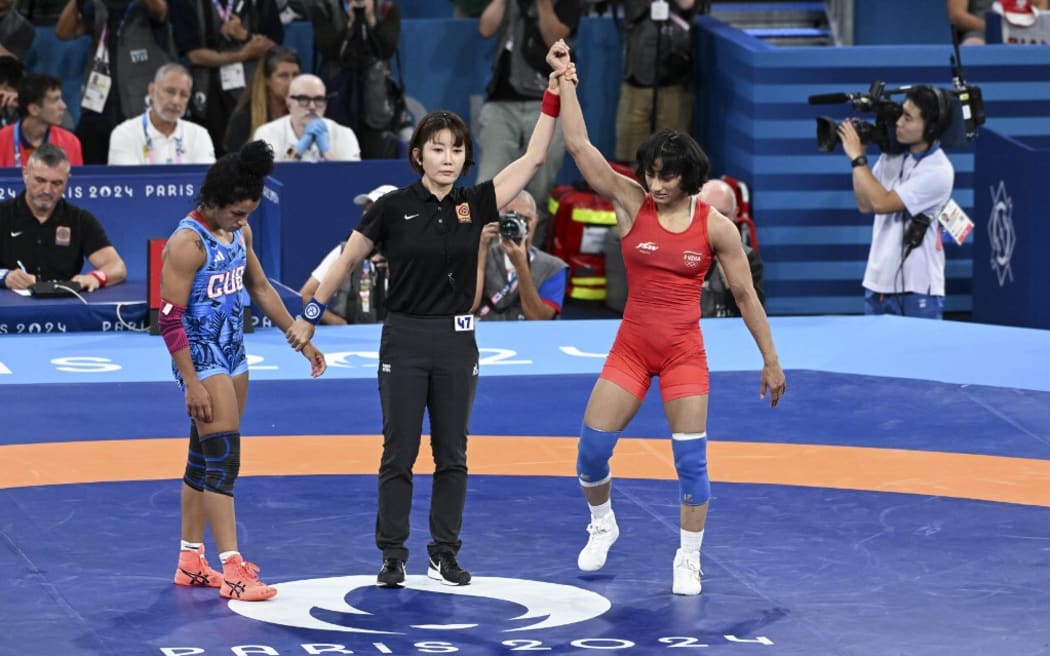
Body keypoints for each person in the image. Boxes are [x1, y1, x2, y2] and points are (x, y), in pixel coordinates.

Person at [286, 39, 574, 589]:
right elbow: (346, 260)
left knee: (453, 454)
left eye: (456, 150)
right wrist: (311, 313)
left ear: (465, 157)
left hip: (457, 340)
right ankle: (393, 553)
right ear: (419, 154)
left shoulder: (475, 204)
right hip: (404, 339)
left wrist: (553, 95)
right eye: (437, 149)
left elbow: (533, 157)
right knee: (399, 452)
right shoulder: (392, 207)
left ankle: (444, 551)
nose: (448, 158)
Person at [557, 70, 786, 596]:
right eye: (650, 174)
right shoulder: (630, 201)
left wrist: (770, 359)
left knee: (690, 462)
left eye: (666, 177)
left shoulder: (714, 226)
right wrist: (568, 79)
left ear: (689, 177)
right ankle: (603, 523)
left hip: (683, 351)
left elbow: (745, 296)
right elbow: (578, 145)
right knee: (591, 454)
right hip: (632, 348)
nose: (656, 186)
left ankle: (688, 557)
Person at [160, 139, 326, 602]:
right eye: (236, 212)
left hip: (234, 352)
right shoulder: (187, 243)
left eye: (248, 213)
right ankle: (233, 569)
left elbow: (258, 286)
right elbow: (169, 318)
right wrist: (191, 380)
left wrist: (298, 335)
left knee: (203, 457)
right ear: (212, 203)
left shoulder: (239, 235)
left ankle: (190, 561)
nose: (242, 220)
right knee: (224, 462)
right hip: (202, 356)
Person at [837, 85, 955, 320]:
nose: (899, 122)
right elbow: (865, 204)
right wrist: (857, 160)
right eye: (901, 114)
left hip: (918, 288)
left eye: (908, 118)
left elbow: (882, 203)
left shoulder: (939, 171)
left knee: (918, 357)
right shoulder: (892, 157)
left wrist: (858, 158)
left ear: (930, 127)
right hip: (877, 283)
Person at [476, 0, 582, 212]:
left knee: (539, 191)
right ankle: (485, 244)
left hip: (546, 102)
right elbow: (486, 28)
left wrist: (543, 4)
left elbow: (556, 39)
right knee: (487, 187)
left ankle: (532, 244)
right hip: (501, 102)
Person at [55, 0, 174, 165]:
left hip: (138, 106)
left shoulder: (145, 7)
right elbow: (63, 32)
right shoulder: (96, 6)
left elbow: (160, 12)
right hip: (99, 105)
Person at [0, 144, 126, 290]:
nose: (47, 190)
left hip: (64, 308)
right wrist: (5, 276)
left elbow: (117, 267)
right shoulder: (3, 214)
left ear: (67, 180)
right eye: (40, 180)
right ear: (25, 174)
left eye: (56, 183)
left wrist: (95, 277)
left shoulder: (79, 220)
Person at [169, 0, 282, 155]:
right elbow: (194, 56)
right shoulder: (188, 4)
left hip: (251, 92)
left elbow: (275, 48)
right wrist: (242, 55)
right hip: (207, 92)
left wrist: (245, 35)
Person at [308, 0, 402, 159]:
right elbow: (329, 49)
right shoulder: (323, 8)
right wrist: (351, 22)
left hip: (375, 102)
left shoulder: (387, 9)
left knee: (376, 162)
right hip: (337, 100)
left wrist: (370, 19)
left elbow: (386, 49)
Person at [298, 183, 398, 325]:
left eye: (373, 210)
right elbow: (306, 295)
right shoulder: (345, 251)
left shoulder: (413, 254)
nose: (366, 215)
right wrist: (338, 323)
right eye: (366, 209)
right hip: (355, 340)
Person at [614, 0, 696, 165]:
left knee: (672, 159)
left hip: (673, 81)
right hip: (637, 79)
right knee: (632, 157)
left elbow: (687, 4)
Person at [475, 188, 567, 320]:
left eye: (525, 218)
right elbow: (467, 307)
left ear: (535, 221)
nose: (518, 223)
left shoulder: (554, 268)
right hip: (483, 336)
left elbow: (541, 320)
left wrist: (521, 266)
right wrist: (481, 247)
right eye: (510, 216)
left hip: (529, 339)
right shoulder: (479, 255)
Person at [107, 63, 215, 165]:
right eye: (170, 91)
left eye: (183, 95)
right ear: (152, 90)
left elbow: (207, 182)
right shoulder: (125, 134)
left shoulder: (199, 135)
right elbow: (128, 182)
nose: (176, 101)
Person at [252, 73, 362, 162]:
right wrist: (298, 148)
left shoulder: (344, 133)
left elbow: (351, 177)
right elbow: (272, 177)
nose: (312, 106)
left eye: (319, 99)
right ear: (289, 102)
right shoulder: (266, 133)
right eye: (303, 99)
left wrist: (327, 151)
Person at [698, 179, 765, 318]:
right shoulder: (675, 253)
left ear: (735, 214)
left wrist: (729, 267)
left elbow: (754, 315)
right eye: (707, 213)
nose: (715, 223)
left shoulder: (749, 258)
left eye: (723, 215)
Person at [223, 45, 301, 154]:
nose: (291, 82)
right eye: (283, 76)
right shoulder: (244, 119)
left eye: (296, 75)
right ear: (266, 80)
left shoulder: (305, 115)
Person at [0, 73, 82, 166]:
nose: (63, 106)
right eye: (55, 100)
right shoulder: (2, 141)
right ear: (34, 109)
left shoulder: (70, 143)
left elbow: (75, 180)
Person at [948, 0, 1047, 45]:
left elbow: (1041, 9)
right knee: (972, 47)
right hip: (981, 33)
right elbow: (956, 16)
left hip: (1026, 33)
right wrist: (994, 28)